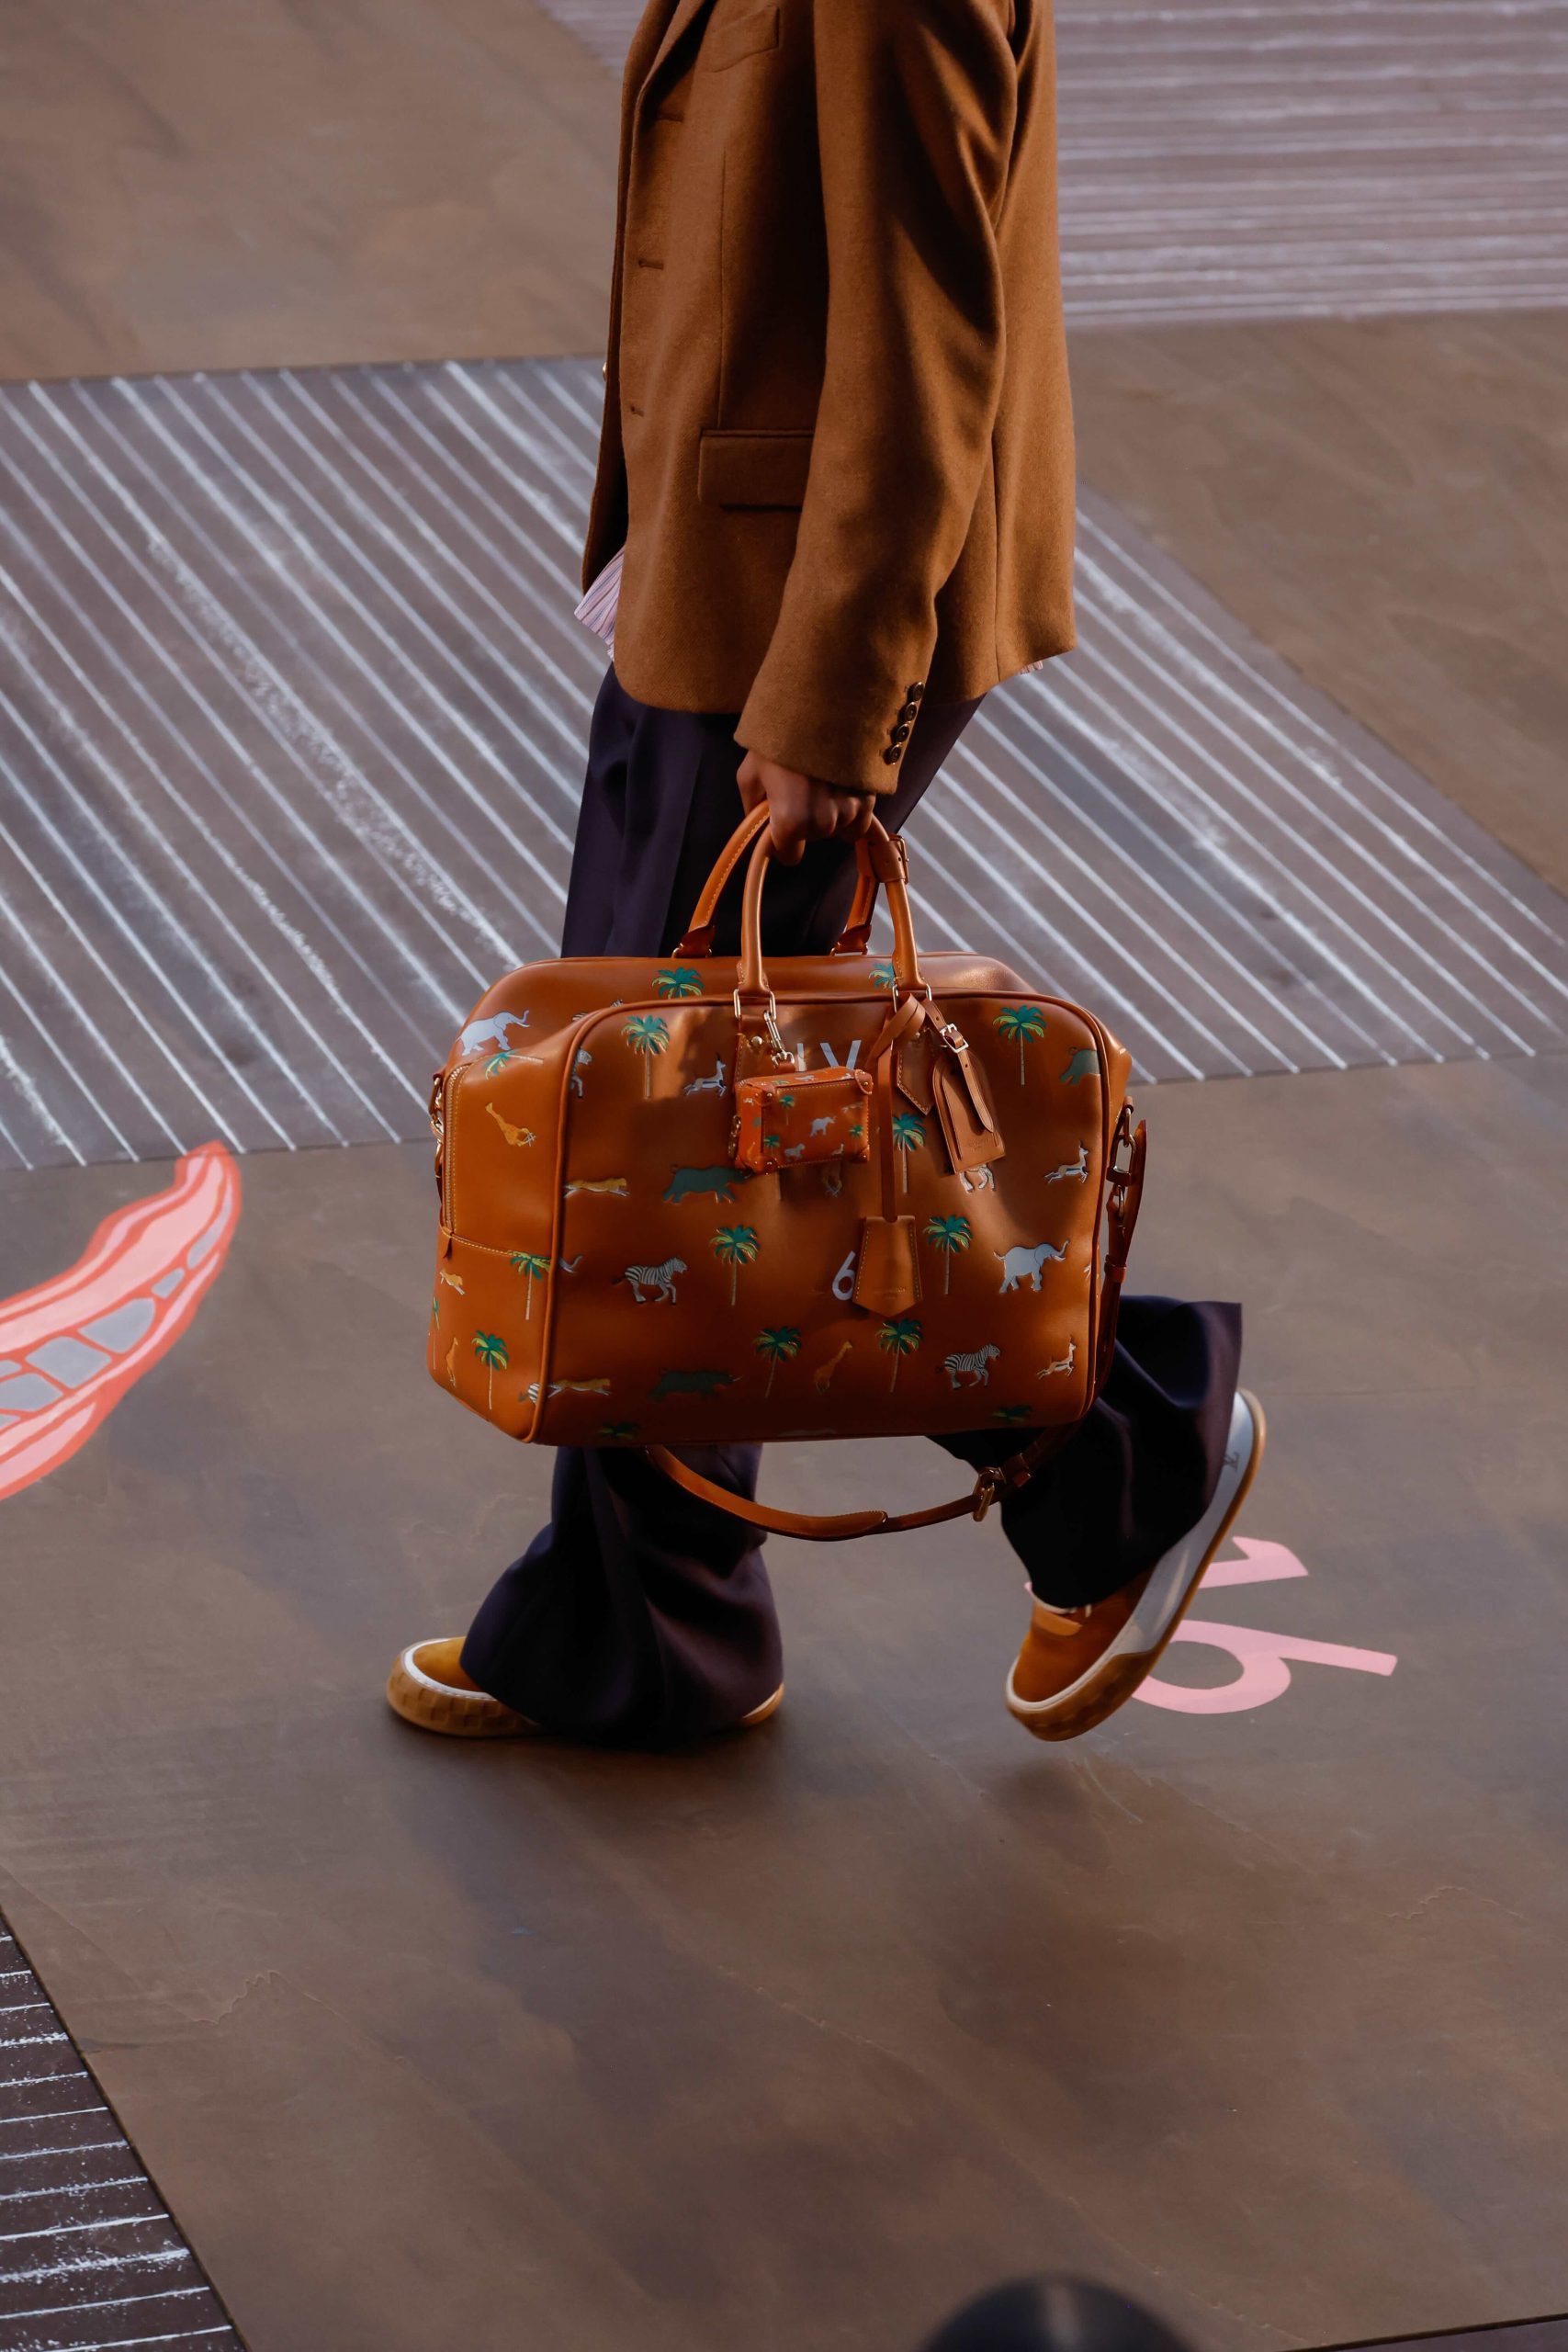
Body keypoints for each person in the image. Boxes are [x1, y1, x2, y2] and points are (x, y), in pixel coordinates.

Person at [387, 0, 1260, 1749]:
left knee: (673, 1122)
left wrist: (830, 694)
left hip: (793, 627)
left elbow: (932, 319)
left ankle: (1125, 1453)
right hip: (726, 584)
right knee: (666, 1116)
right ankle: (654, 1624)